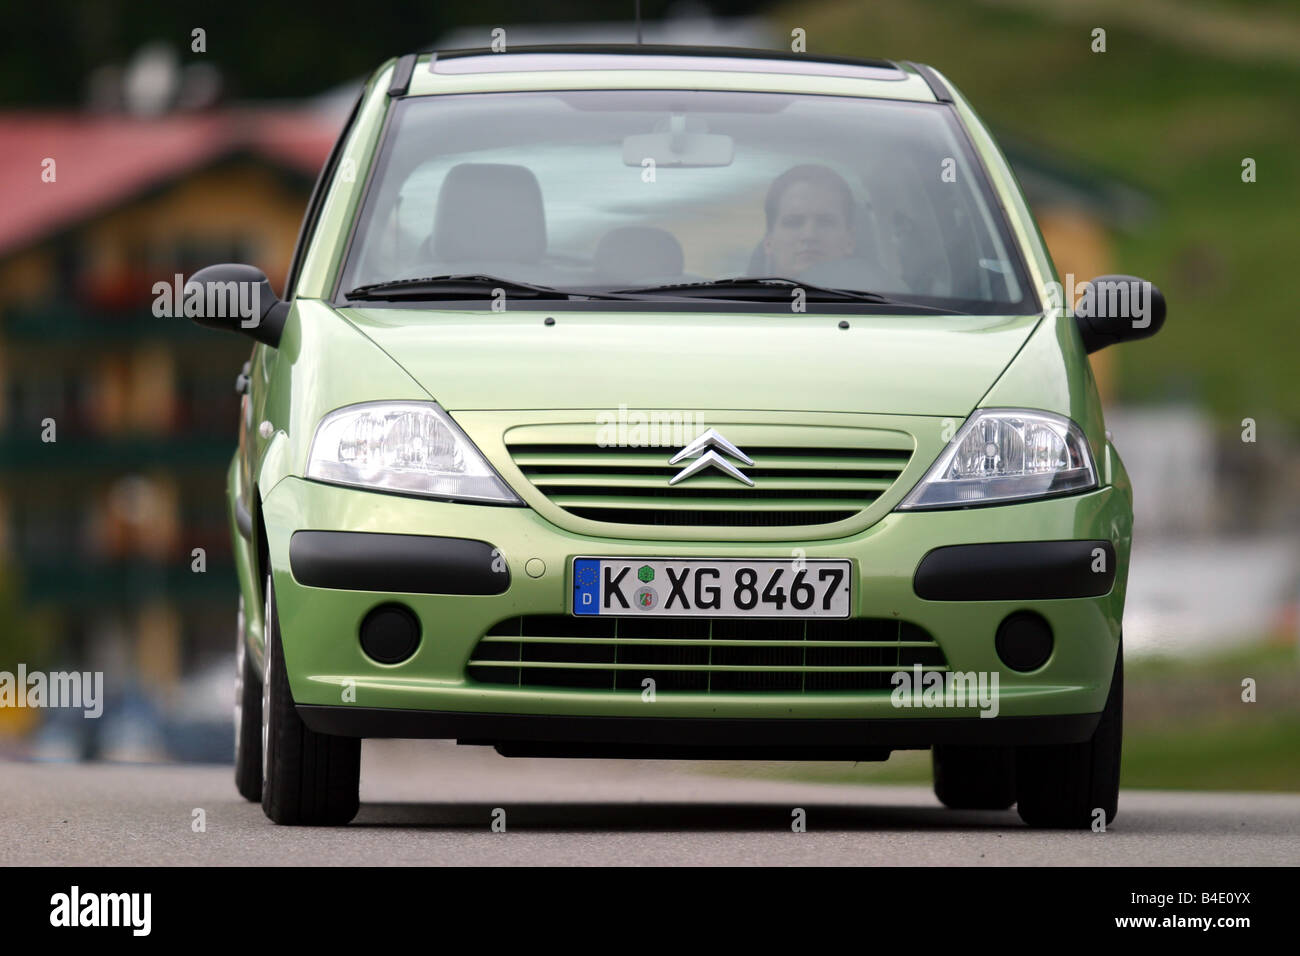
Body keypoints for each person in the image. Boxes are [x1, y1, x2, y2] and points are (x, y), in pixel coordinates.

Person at [761, 164, 857, 277]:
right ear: (768, 242)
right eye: (793, 223)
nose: (809, 235)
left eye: (825, 222)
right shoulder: (739, 293)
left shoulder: (879, 293)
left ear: (849, 241)